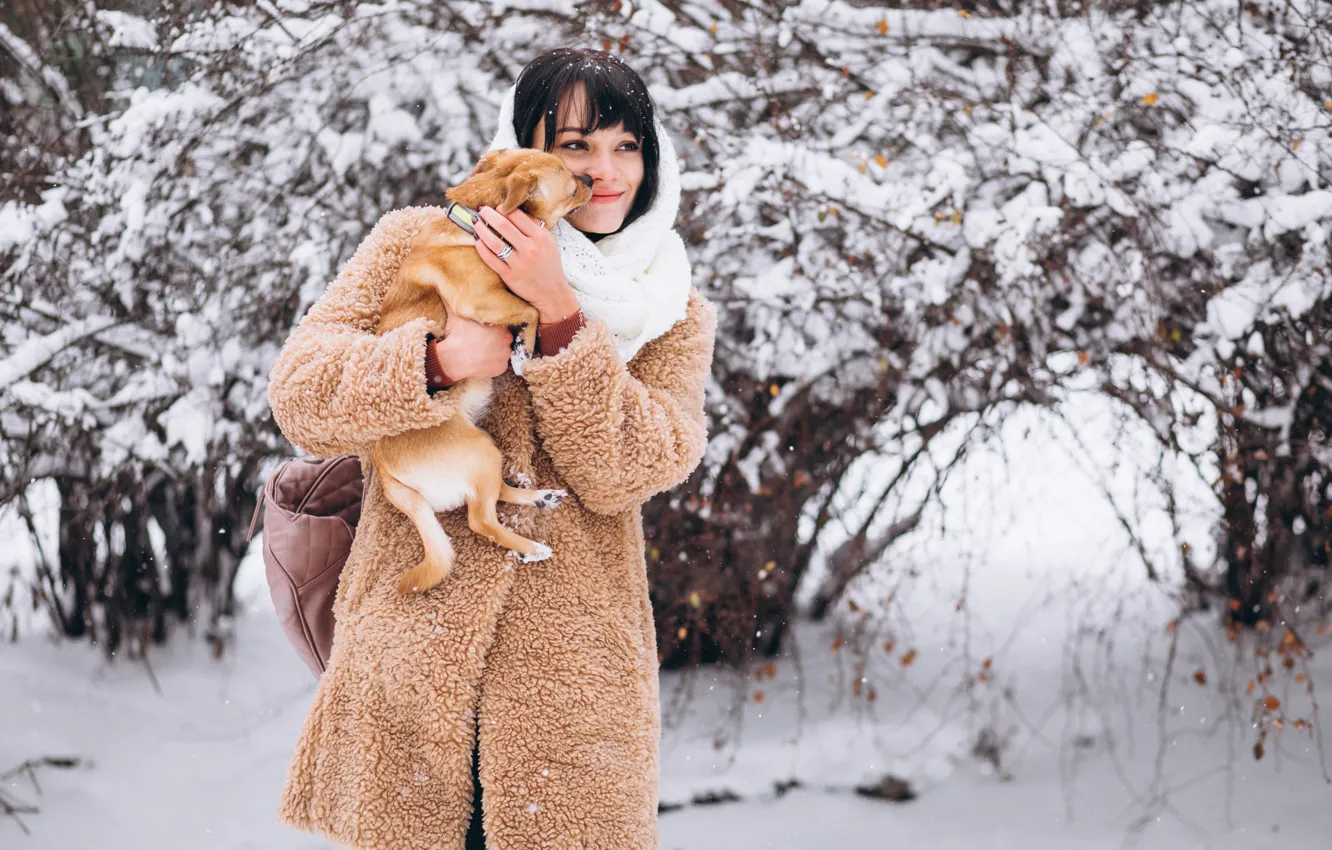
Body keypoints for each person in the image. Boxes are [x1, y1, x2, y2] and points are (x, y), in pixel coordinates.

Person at [266, 47, 717, 850]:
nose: (605, 171)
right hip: (410, 681)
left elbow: (631, 471)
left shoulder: (671, 310)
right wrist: (433, 362)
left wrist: (559, 314)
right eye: (575, 145)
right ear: (526, 149)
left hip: (572, 707)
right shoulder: (422, 239)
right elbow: (301, 394)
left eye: (627, 146)